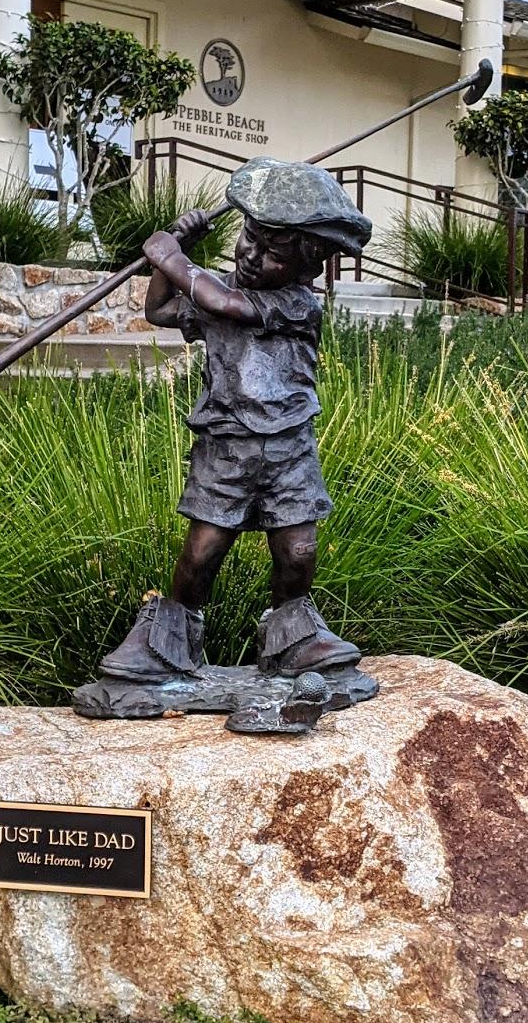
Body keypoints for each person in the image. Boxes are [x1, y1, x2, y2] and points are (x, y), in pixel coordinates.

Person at [73, 157, 372, 707]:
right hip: (227, 446)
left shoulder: (296, 304)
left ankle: (295, 638)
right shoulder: (220, 288)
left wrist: (174, 258)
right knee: (202, 553)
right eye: (249, 239)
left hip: (288, 449)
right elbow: (162, 308)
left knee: (298, 551)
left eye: (274, 253)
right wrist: (169, 259)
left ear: (306, 268)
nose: (252, 256)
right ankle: (168, 645)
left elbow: (223, 302)